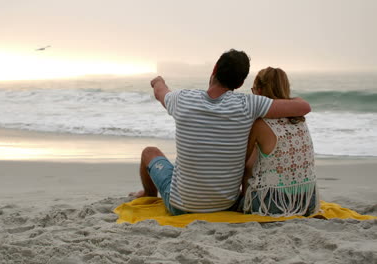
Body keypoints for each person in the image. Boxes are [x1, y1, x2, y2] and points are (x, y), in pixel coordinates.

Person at [131, 49, 311, 216]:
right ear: (240, 83)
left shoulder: (182, 99)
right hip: (226, 206)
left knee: (150, 152)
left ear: (215, 68)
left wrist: (158, 81)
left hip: (181, 206)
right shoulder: (250, 104)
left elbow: (160, 92)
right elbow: (303, 107)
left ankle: (148, 193)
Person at [242, 67, 319, 217]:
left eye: (254, 90)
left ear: (259, 90)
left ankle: (244, 200)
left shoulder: (260, 124)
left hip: (273, 203)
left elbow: (243, 162)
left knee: (250, 162)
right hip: (308, 200)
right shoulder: (300, 119)